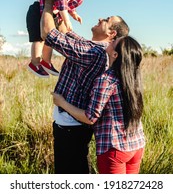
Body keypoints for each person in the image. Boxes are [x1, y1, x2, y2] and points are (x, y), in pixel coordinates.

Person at [40, 0, 130, 174]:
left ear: (111, 34)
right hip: (72, 124)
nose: (100, 18)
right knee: (76, 167)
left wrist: (48, 2)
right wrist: (62, 5)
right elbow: (68, 34)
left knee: (70, 173)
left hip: (71, 125)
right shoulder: (93, 48)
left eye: (106, 19)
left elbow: (48, 34)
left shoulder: (94, 52)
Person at [53, 36, 145, 174]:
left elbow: (90, 117)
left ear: (115, 54)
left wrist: (62, 103)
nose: (110, 41)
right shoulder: (133, 79)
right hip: (137, 145)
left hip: (115, 149)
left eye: (114, 42)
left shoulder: (107, 80)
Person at [26, 0, 93, 78]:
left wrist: (74, 14)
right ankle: (35, 63)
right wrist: (67, 21)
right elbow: (62, 4)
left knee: (50, 39)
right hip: (38, 11)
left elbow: (67, 5)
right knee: (38, 39)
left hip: (52, 14)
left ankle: (46, 62)